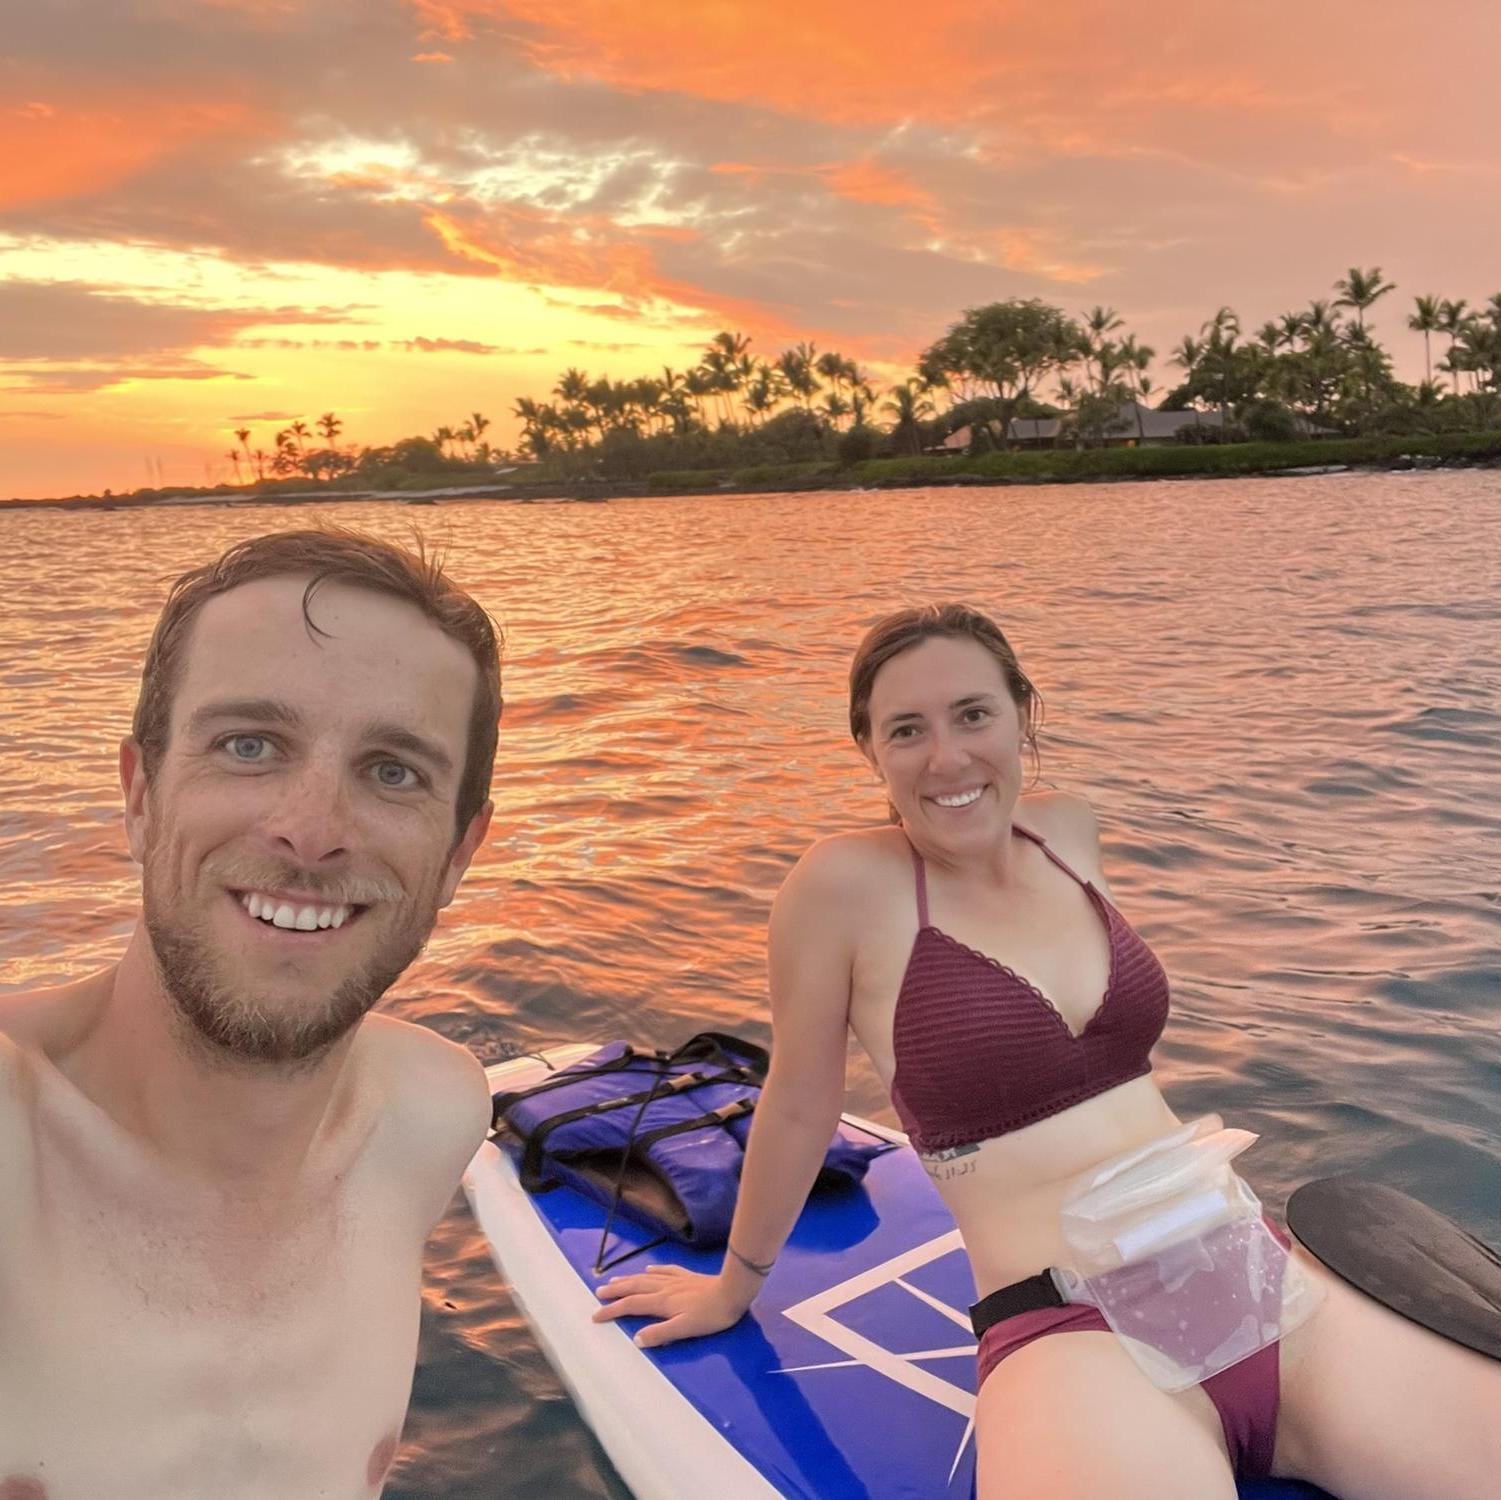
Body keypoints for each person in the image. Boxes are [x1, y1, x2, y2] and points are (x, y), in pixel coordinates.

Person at [594, 603, 1501, 1499]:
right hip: (1072, 1331)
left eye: (973, 715)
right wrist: (733, 1287)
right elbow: (796, 1102)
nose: (947, 758)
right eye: (906, 729)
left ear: (1022, 716)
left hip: (1252, 1272)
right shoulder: (841, 887)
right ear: (868, 746)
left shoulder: (1068, 831)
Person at [0, 528, 501, 1499]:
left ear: (456, 854)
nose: (310, 830)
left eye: (393, 770)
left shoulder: (432, 1114)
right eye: (248, 746)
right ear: (139, 795)